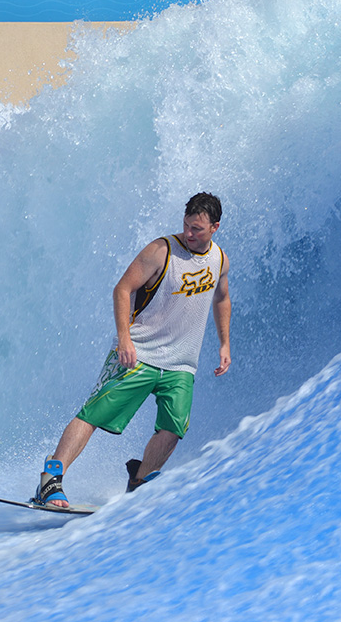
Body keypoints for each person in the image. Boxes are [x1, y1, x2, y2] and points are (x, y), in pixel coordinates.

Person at [35, 192, 231, 507]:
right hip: (138, 353)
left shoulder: (219, 259)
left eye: (197, 229)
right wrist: (124, 338)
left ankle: (139, 483)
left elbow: (222, 298)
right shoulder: (161, 251)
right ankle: (50, 479)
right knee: (94, 413)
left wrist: (225, 343)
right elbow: (123, 288)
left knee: (173, 427)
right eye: (186, 225)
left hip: (181, 364)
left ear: (215, 227)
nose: (189, 234)